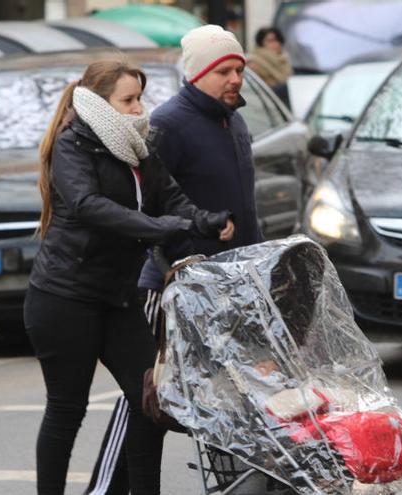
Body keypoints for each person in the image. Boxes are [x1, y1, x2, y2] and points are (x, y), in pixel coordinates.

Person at [25, 58, 235, 495]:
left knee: (150, 405)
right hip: (65, 297)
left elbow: (173, 200)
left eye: (140, 97)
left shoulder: (137, 149)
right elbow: (90, 207)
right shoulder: (74, 145)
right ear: (98, 103)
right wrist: (174, 227)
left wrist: (206, 220)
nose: (140, 108)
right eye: (129, 99)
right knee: (67, 409)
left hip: (116, 298)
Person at [86, 25, 264, 495]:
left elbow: (245, 211)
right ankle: (103, 490)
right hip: (172, 287)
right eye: (223, 70)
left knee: (227, 397)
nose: (234, 79)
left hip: (227, 287)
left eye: (239, 69)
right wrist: (165, 266)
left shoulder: (235, 122)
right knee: (144, 397)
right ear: (198, 73)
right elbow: (143, 208)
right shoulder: (169, 125)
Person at [247, 27, 292, 105]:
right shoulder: (254, 63)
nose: (275, 44)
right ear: (261, 43)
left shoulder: (283, 61)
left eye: (277, 40)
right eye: (270, 41)